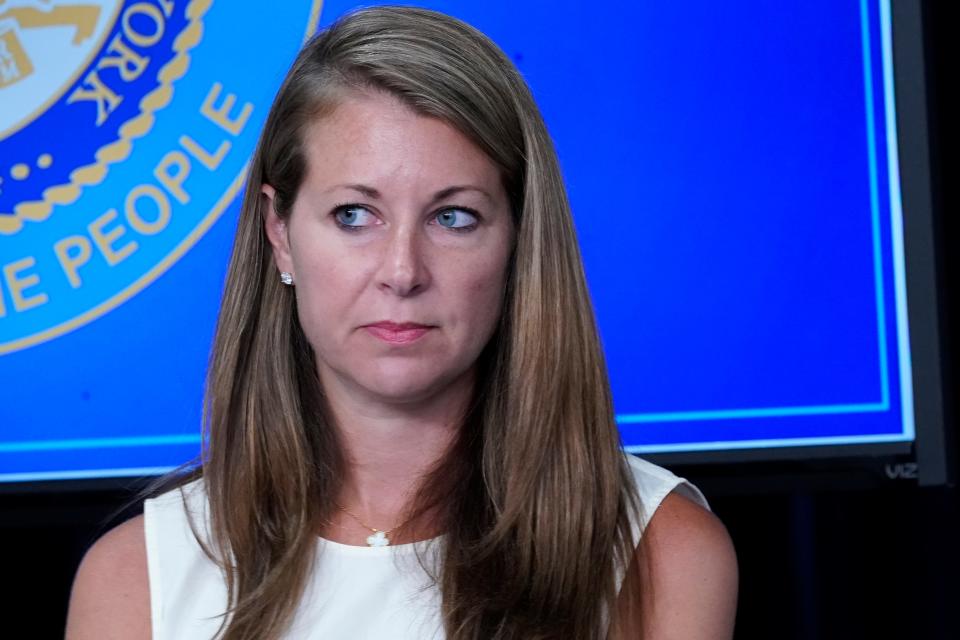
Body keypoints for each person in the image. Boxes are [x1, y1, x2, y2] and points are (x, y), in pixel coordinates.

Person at [65, 6, 737, 639]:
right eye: (354, 215)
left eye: (453, 217)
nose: (401, 270)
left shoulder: (660, 552)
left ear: (519, 241)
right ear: (280, 233)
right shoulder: (134, 582)